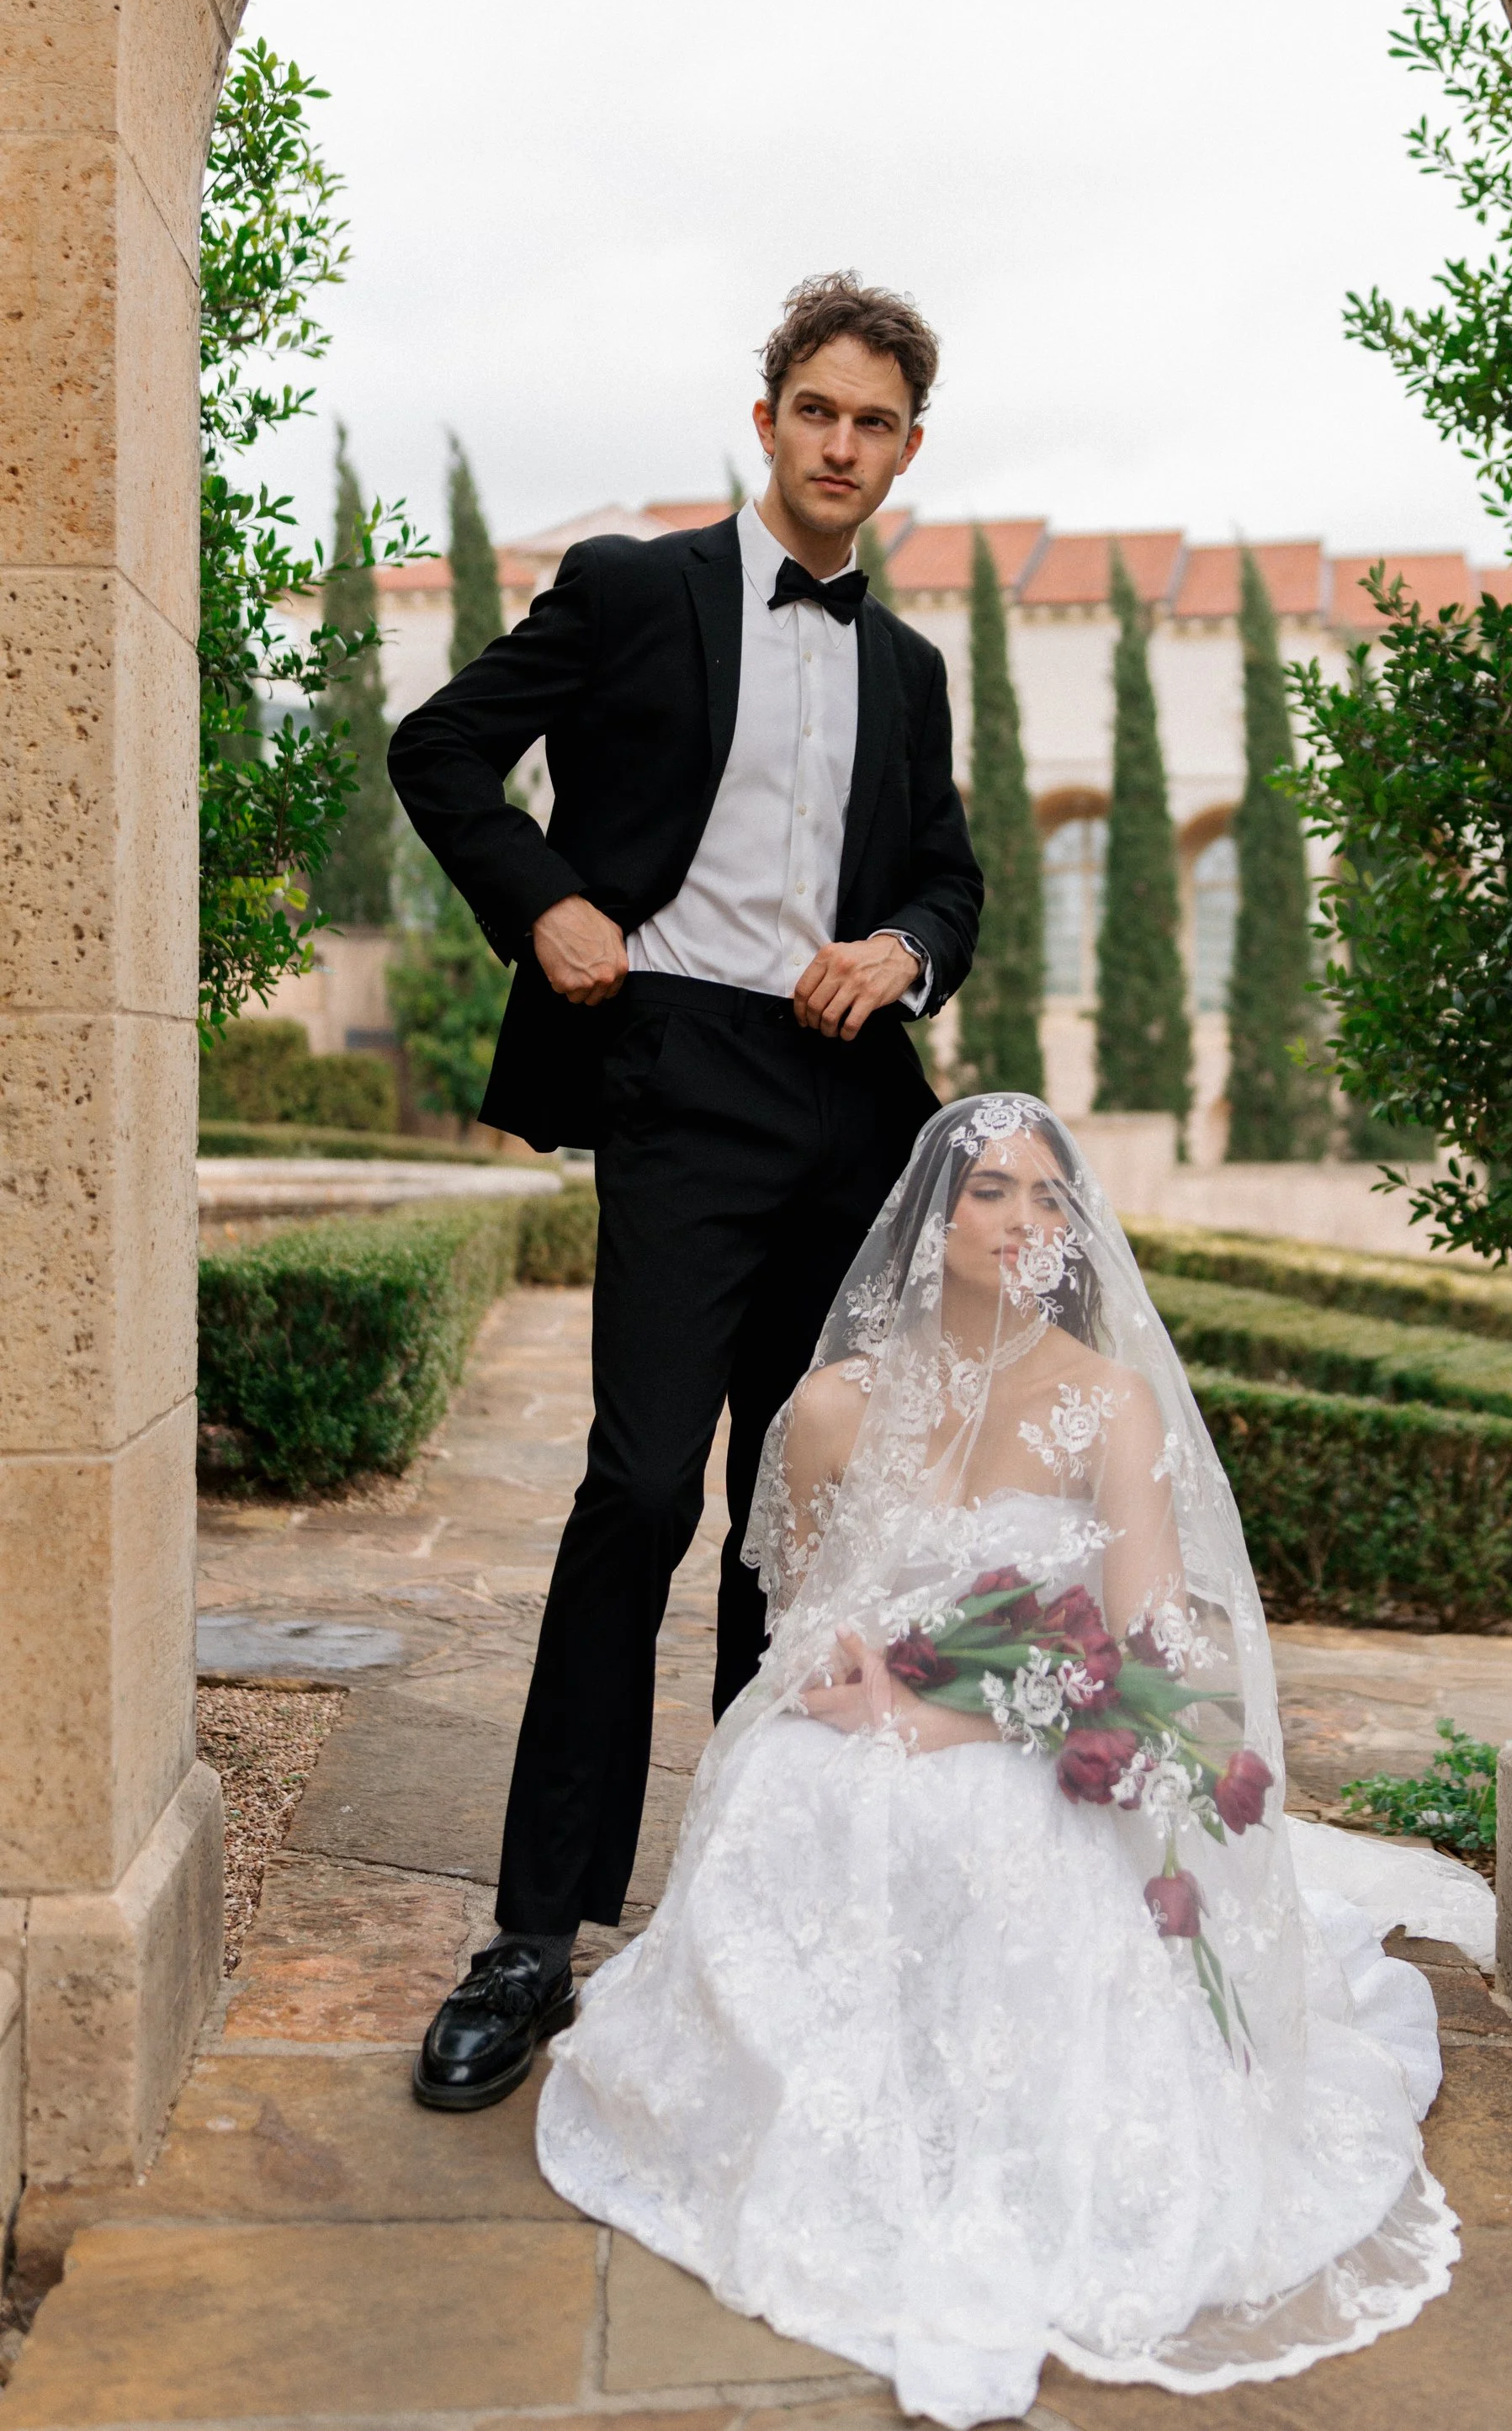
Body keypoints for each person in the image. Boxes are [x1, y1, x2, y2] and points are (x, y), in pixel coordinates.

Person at [534, 1097, 1461, 2429]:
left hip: (1049, 1736)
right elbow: (797, 1606)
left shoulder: (1108, 1402)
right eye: (991, 1193)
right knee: (791, 1794)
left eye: (1048, 1196)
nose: (1026, 1221)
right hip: (868, 1718)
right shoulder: (834, 1406)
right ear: (931, 1218)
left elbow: (1142, 1656)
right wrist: (840, 1676)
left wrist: (948, 1717)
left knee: (990, 1825)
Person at [387, 273, 983, 2113]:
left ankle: (744, 1898)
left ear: (903, 450)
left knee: (788, 1525)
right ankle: (527, 1940)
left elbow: (951, 884)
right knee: (640, 1488)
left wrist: (899, 951)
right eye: (815, 409)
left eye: (874, 422)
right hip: (676, 1083)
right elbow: (440, 751)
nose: (839, 446)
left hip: (845, 1113)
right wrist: (547, 897)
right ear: (767, 422)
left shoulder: (907, 668)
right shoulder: (639, 588)